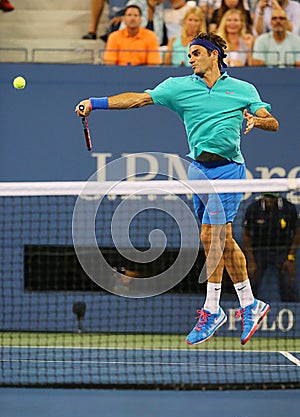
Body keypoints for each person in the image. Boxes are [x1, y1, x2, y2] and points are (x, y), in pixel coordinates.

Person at [75, 31, 279, 346]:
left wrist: (257, 121)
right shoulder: (178, 87)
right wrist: (95, 103)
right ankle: (250, 304)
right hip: (198, 168)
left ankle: (213, 309)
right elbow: (138, 99)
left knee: (213, 236)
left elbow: (272, 121)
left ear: (214, 55)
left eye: (196, 53)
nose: (190, 58)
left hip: (229, 170)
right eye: (189, 54)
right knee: (218, 239)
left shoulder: (243, 89)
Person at [242, 193, 300, 302]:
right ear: (263, 196)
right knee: (251, 279)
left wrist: (290, 258)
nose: (269, 200)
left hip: (282, 250)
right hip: (259, 250)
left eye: (272, 197)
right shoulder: (253, 209)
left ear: (277, 197)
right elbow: (246, 235)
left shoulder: (288, 208)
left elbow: (297, 232)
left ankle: (294, 309)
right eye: (267, 196)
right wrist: (251, 261)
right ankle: (245, 307)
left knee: (288, 281)